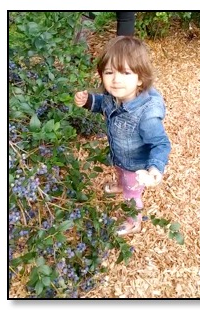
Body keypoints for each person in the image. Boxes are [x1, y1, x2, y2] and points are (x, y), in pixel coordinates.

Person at [74, 36, 171, 236]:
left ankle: (133, 222)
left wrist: (154, 169)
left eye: (125, 72)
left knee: (131, 194)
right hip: (120, 156)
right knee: (120, 172)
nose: (116, 79)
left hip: (135, 166)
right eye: (109, 72)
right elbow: (103, 104)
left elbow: (161, 143)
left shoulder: (147, 115)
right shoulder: (114, 95)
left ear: (140, 79)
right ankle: (120, 183)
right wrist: (88, 101)